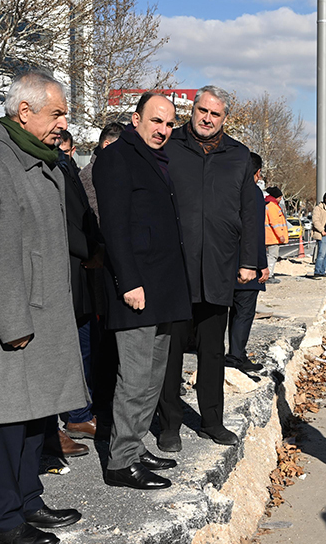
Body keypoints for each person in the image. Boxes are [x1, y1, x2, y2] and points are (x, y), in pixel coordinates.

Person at [0, 71, 87, 544]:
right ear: (24, 112)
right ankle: (2, 518)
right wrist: (12, 324)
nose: (63, 123)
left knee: (36, 416)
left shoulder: (39, 160)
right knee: (9, 421)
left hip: (42, 313)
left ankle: (29, 499)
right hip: (14, 320)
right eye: (56, 113)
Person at [154, 85, 263, 453]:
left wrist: (249, 262)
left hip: (219, 267)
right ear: (192, 110)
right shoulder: (170, 145)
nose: (207, 118)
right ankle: (169, 425)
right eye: (202, 110)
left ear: (224, 118)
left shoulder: (238, 155)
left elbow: (250, 212)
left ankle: (212, 421)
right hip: (175, 268)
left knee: (213, 351)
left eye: (215, 114)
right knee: (171, 352)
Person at [94, 93, 192, 488]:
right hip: (138, 288)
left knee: (153, 376)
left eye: (169, 124)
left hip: (163, 286)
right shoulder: (117, 157)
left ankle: (133, 447)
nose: (163, 130)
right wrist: (128, 282)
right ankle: (120, 461)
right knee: (134, 378)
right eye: (156, 120)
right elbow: (115, 226)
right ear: (136, 119)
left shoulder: (158, 159)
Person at [52, 128, 103, 450]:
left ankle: (81, 413)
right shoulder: (50, 167)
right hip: (67, 270)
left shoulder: (65, 166)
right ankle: (72, 417)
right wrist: (92, 249)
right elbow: (60, 223)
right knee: (68, 351)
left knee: (84, 348)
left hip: (81, 272)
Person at [229, 155, 272, 373]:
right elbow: (255, 231)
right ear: (257, 173)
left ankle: (231, 353)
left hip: (224, 261)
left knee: (228, 311)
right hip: (246, 263)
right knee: (244, 311)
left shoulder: (226, 187)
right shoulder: (252, 193)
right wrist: (261, 264)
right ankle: (236, 356)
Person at [81, 122, 123, 224]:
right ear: (106, 145)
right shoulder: (89, 174)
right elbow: (97, 215)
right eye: (123, 148)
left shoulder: (119, 170)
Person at [264, 185, 288, 279]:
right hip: (272, 237)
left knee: (269, 256)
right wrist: (281, 235)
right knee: (272, 256)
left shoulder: (268, 205)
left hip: (269, 236)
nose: (280, 199)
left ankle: (267, 274)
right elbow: (275, 223)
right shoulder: (272, 206)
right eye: (280, 197)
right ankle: (269, 275)